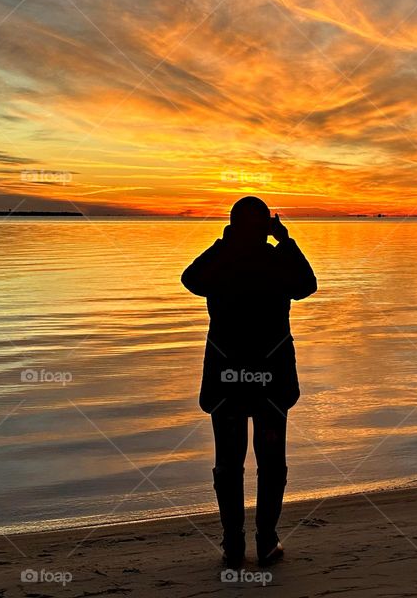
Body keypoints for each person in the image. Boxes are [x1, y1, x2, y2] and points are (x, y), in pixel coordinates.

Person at [181, 196, 317, 568]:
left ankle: (234, 544)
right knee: (269, 463)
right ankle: (264, 541)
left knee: (230, 462)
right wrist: (285, 241)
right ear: (265, 228)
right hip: (268, 379)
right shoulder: (275, 262)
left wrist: (226, 241)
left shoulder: (223, 262)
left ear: (233, 226)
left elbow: (191, 278)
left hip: (229, 379)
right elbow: (306, 284)